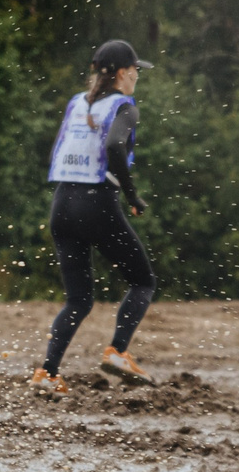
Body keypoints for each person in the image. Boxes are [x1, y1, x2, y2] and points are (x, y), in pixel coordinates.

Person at [30, 39, 157, 397]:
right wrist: (131, 194)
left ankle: (47, 373)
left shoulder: (76, 104)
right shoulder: (125, 107)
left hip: (62, 204)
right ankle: (117, 351)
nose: (136, 77)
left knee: (79, 300)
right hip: (96, 203)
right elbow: (115, 146)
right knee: (143, 281)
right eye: (135, 71)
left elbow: (61, 149)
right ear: (121, 73)